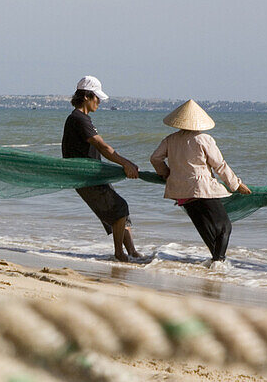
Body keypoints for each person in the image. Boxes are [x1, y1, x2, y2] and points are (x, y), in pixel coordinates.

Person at [150, 99, 251, 268]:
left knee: (205, 230)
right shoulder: (203, 139)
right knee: (225, 227)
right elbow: (219, 165)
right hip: (201, 189)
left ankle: (215, 264)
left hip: (182, 193)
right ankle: (219, 264)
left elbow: (155, 158)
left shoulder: (170, 139)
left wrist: (166, 174)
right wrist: (236, 185)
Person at [62, 76, 142, 262]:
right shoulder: (78, 119)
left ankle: (133, 253)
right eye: (97, 97)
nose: (99, 102)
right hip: (86, 178)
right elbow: (103, 147)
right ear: (87, 97)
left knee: (121, 214)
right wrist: (126, 163)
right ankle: (119, 254)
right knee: (120, 209)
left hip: (94, 176)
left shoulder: (82, 118)